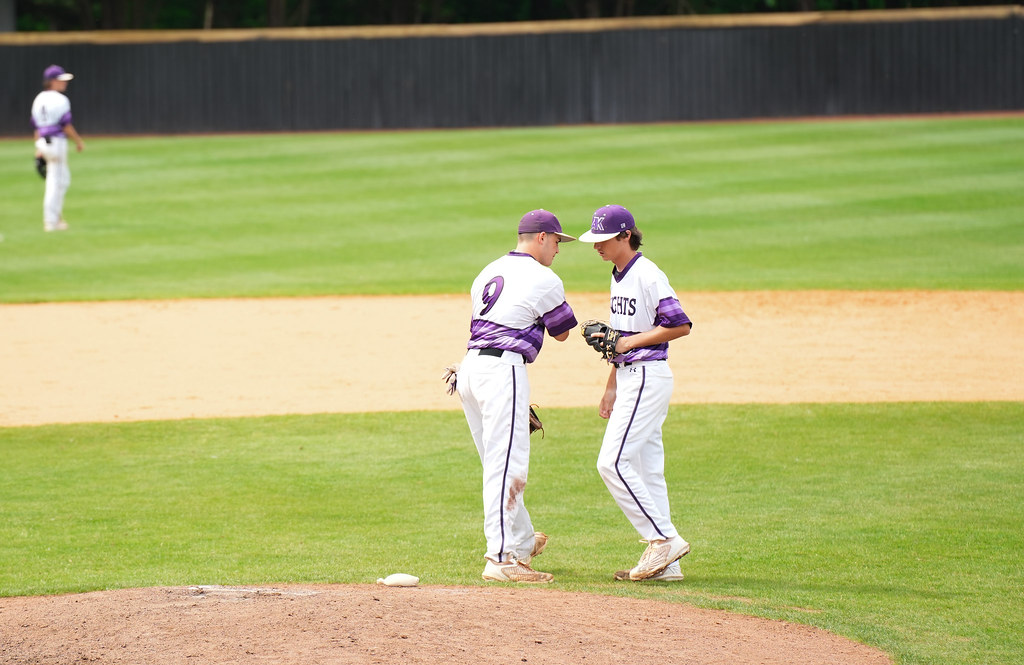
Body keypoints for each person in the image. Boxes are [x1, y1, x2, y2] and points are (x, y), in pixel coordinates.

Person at [455, 209, 578, 583]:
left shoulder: (488, 271)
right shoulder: (544, 277)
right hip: (502, 372)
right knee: (507, 466)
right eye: (557, 241)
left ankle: (521, 541)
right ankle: (502, 559)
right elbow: (562, 332)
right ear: (541, 237)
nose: (558, 249)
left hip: (469, 372)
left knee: (497, 462)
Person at [579, 204, 693, 582]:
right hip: (630, 378)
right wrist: (610, 385)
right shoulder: (618, 275)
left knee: (610, 463)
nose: (597, 246)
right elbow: (619, 334)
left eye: (604, 239)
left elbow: (679, 324)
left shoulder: (647, 274)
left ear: (625, 235)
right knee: (648, 471)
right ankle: (668, 566)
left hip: (648, 376)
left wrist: (628, 344)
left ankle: (662, 540)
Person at [31, 64, 85, 232]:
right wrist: (78, 141)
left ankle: (55, 219)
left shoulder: (38, 98)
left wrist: (37, 148)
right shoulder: (61, 99)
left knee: (60, 180)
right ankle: (52, 221)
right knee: (56, 182)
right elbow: (65, 125)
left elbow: (36, 127)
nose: (64, 83)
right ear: (52, 81)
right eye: (61, 80)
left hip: (43, 141)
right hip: (56, 142)